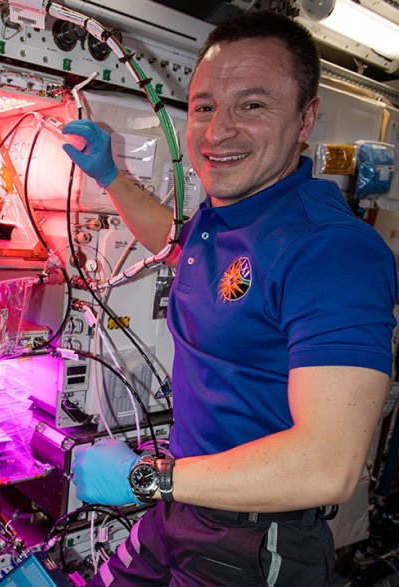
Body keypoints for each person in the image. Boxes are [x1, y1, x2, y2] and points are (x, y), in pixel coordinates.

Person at [61, 10, 398, 587]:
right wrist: (109, 176)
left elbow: (329, 466)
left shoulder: (331, 251)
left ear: (305, 118)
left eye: (253, 104)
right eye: (205, 107)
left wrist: (149, 479)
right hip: (184, 503)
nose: (217, 132)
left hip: (257, 538)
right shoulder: (228, 219)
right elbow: (173, 242)